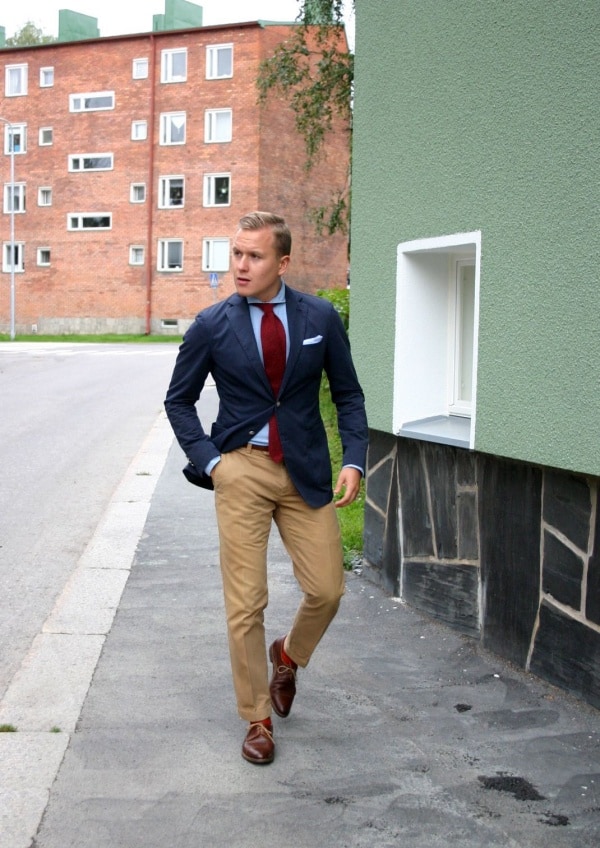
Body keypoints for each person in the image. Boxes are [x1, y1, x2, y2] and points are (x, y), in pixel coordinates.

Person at [165, 211, 368, 765]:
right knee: (245, 603)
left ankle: (289, 654)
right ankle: (256, 717)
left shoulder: (320, 316)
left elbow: (348, 395)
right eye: (236, 254)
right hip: (241, 470)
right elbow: (178, 401)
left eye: (253, 256)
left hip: (303, 468)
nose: (241, 266)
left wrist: (354, 458)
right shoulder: (212, 323)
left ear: (282, 262)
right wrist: (210, 463)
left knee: (328, 589)